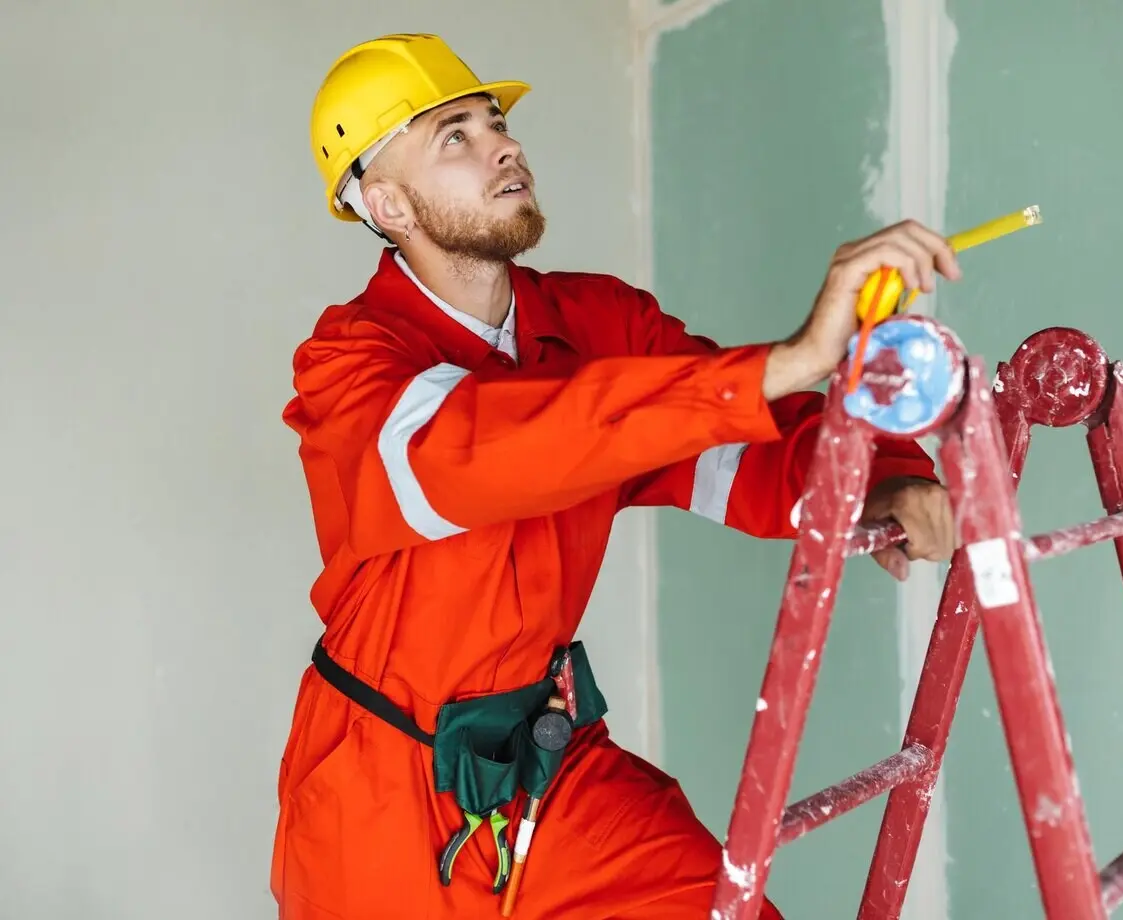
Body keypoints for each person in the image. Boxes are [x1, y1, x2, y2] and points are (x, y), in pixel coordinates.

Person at [272, 32, 961, 920]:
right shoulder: (350, 362)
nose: (505, 145)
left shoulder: (598, 324)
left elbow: (734, 444)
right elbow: (475, 454)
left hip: (552, 767)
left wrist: (886, 478)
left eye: (497, 122)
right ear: (387, 203)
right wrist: (777, 365)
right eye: (455, 135)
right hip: (376, 795)